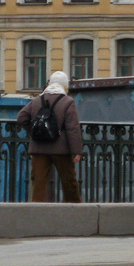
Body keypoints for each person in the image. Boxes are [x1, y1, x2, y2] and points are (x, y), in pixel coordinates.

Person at [16, 71, 84, 203]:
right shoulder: (67, 102)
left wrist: (34, 132)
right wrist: (76, 150)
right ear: (65, 85)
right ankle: (75, 210)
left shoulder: (36, 100)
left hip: (39, 148)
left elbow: (21, 117)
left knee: (38, 183)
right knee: (69, 181)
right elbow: (72, 128)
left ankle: (37, 210)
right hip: (61, 149)